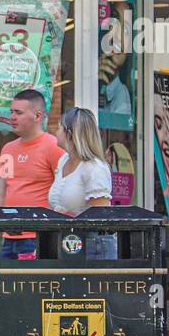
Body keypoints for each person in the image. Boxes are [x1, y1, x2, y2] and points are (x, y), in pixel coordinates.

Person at [0, 88, 65, 259]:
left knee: (34, 284)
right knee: (4, 284)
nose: (12, 117)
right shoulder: (8, 149)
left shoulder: (54, 147)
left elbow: (63, 192)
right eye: (11, 112)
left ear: (38, 116)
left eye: (18, 112)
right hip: (8, 236)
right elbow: (2, 191)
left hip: (39, 236)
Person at [48, 106, 117, 260]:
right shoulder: (63, 160)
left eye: (59, 128)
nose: (55, 132)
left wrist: (66, 216)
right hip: (68, 243)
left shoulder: (94, 167)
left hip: (93, 247)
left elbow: (100, 216)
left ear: (70, 134)